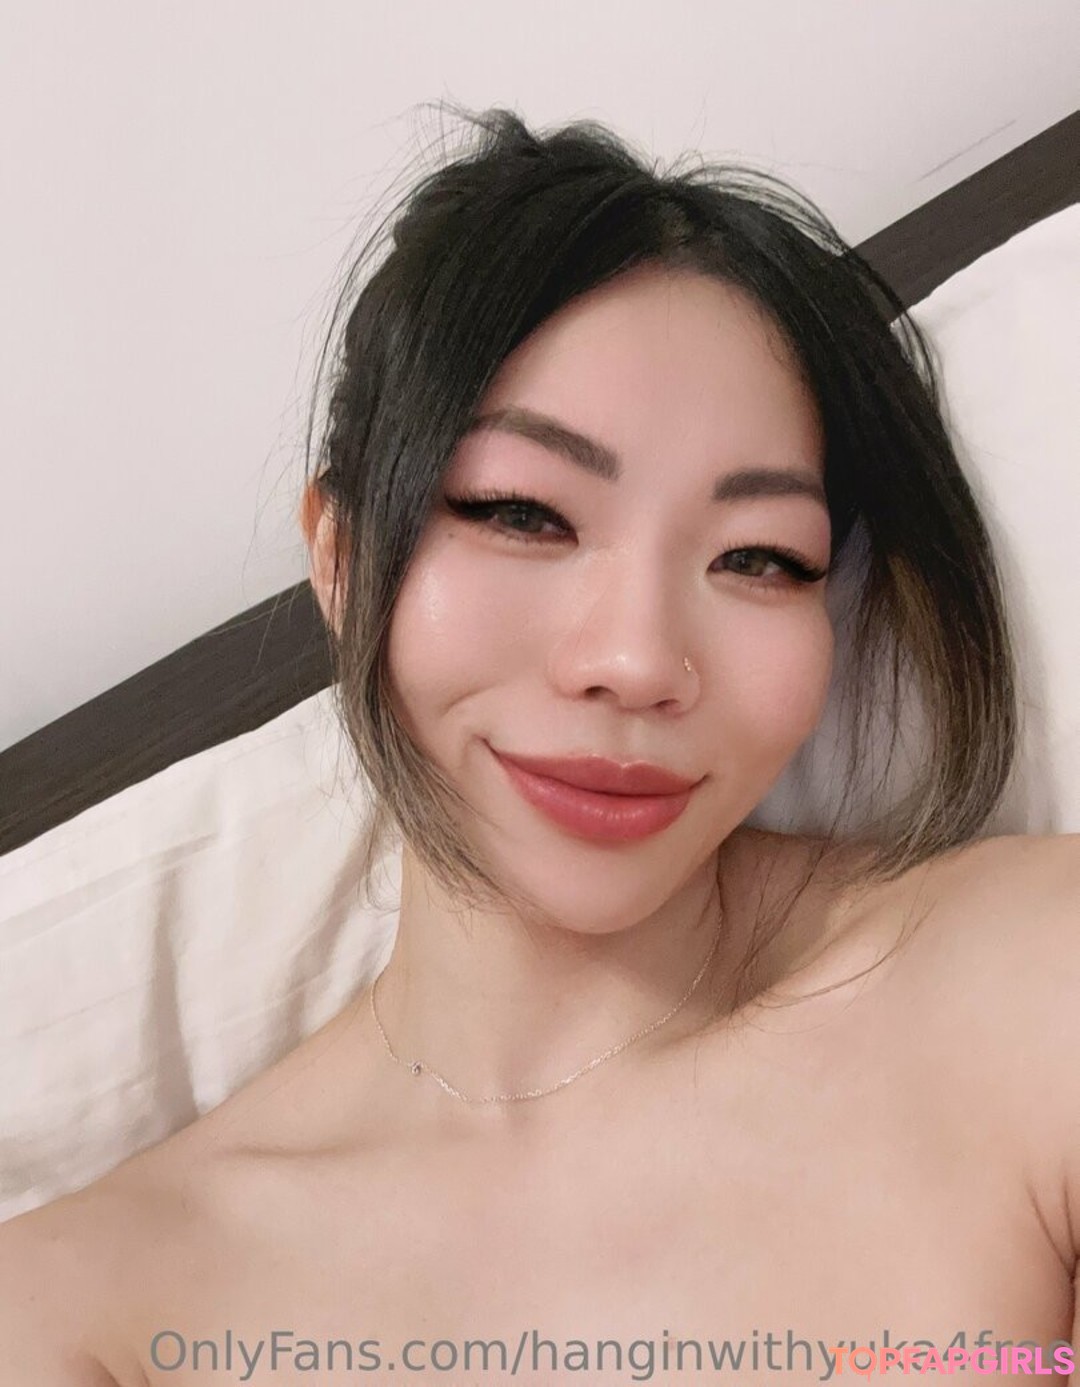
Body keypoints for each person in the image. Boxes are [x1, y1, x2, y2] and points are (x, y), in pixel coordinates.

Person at [0, 104, 1077, 1387]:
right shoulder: (89, 1312)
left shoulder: (1027, 985)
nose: (636, 658)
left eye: (759, 558)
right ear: (341, 558)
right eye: (524, 514)